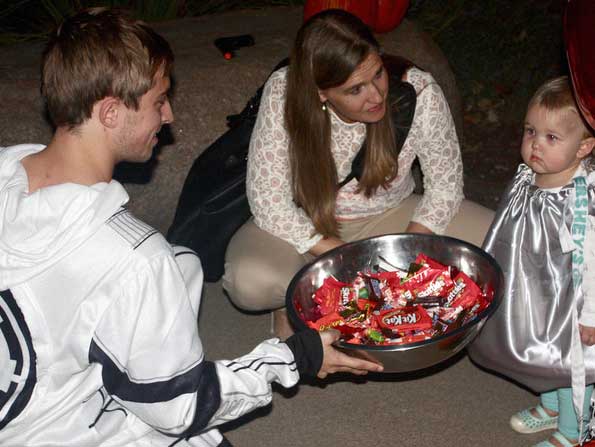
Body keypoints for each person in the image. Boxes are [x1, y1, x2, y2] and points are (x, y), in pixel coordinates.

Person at [0, 8, 383, 447]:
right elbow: (181, 409)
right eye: (158, 101)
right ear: (109, 113)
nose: (168, 117)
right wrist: (296, 355)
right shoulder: (135, 261)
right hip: (64, 431)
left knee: (182, 265)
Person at [223, 9, 495, 338]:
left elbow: (445, 188)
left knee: (501, 244)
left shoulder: (417, 92)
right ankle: (292, 298)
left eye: (378, 73)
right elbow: (269, 200)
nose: (377, 96)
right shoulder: (284, 92)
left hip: (389, 214)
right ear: (321, 93)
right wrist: (344, 255)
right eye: (355, 90)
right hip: (304, 221)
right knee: (251, 281)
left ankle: (326, 291)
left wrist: (409, 257)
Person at [468, 75, 595, 447]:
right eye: (530, 132)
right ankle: (552, 406)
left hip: (572, 300)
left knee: (567, 359)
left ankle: (574, 432)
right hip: (534, 290)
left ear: (584, 147)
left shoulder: (582, 201)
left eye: (552, 138)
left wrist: (591, 316)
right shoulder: (527, 177)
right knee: (539, 350)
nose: (535, 145)